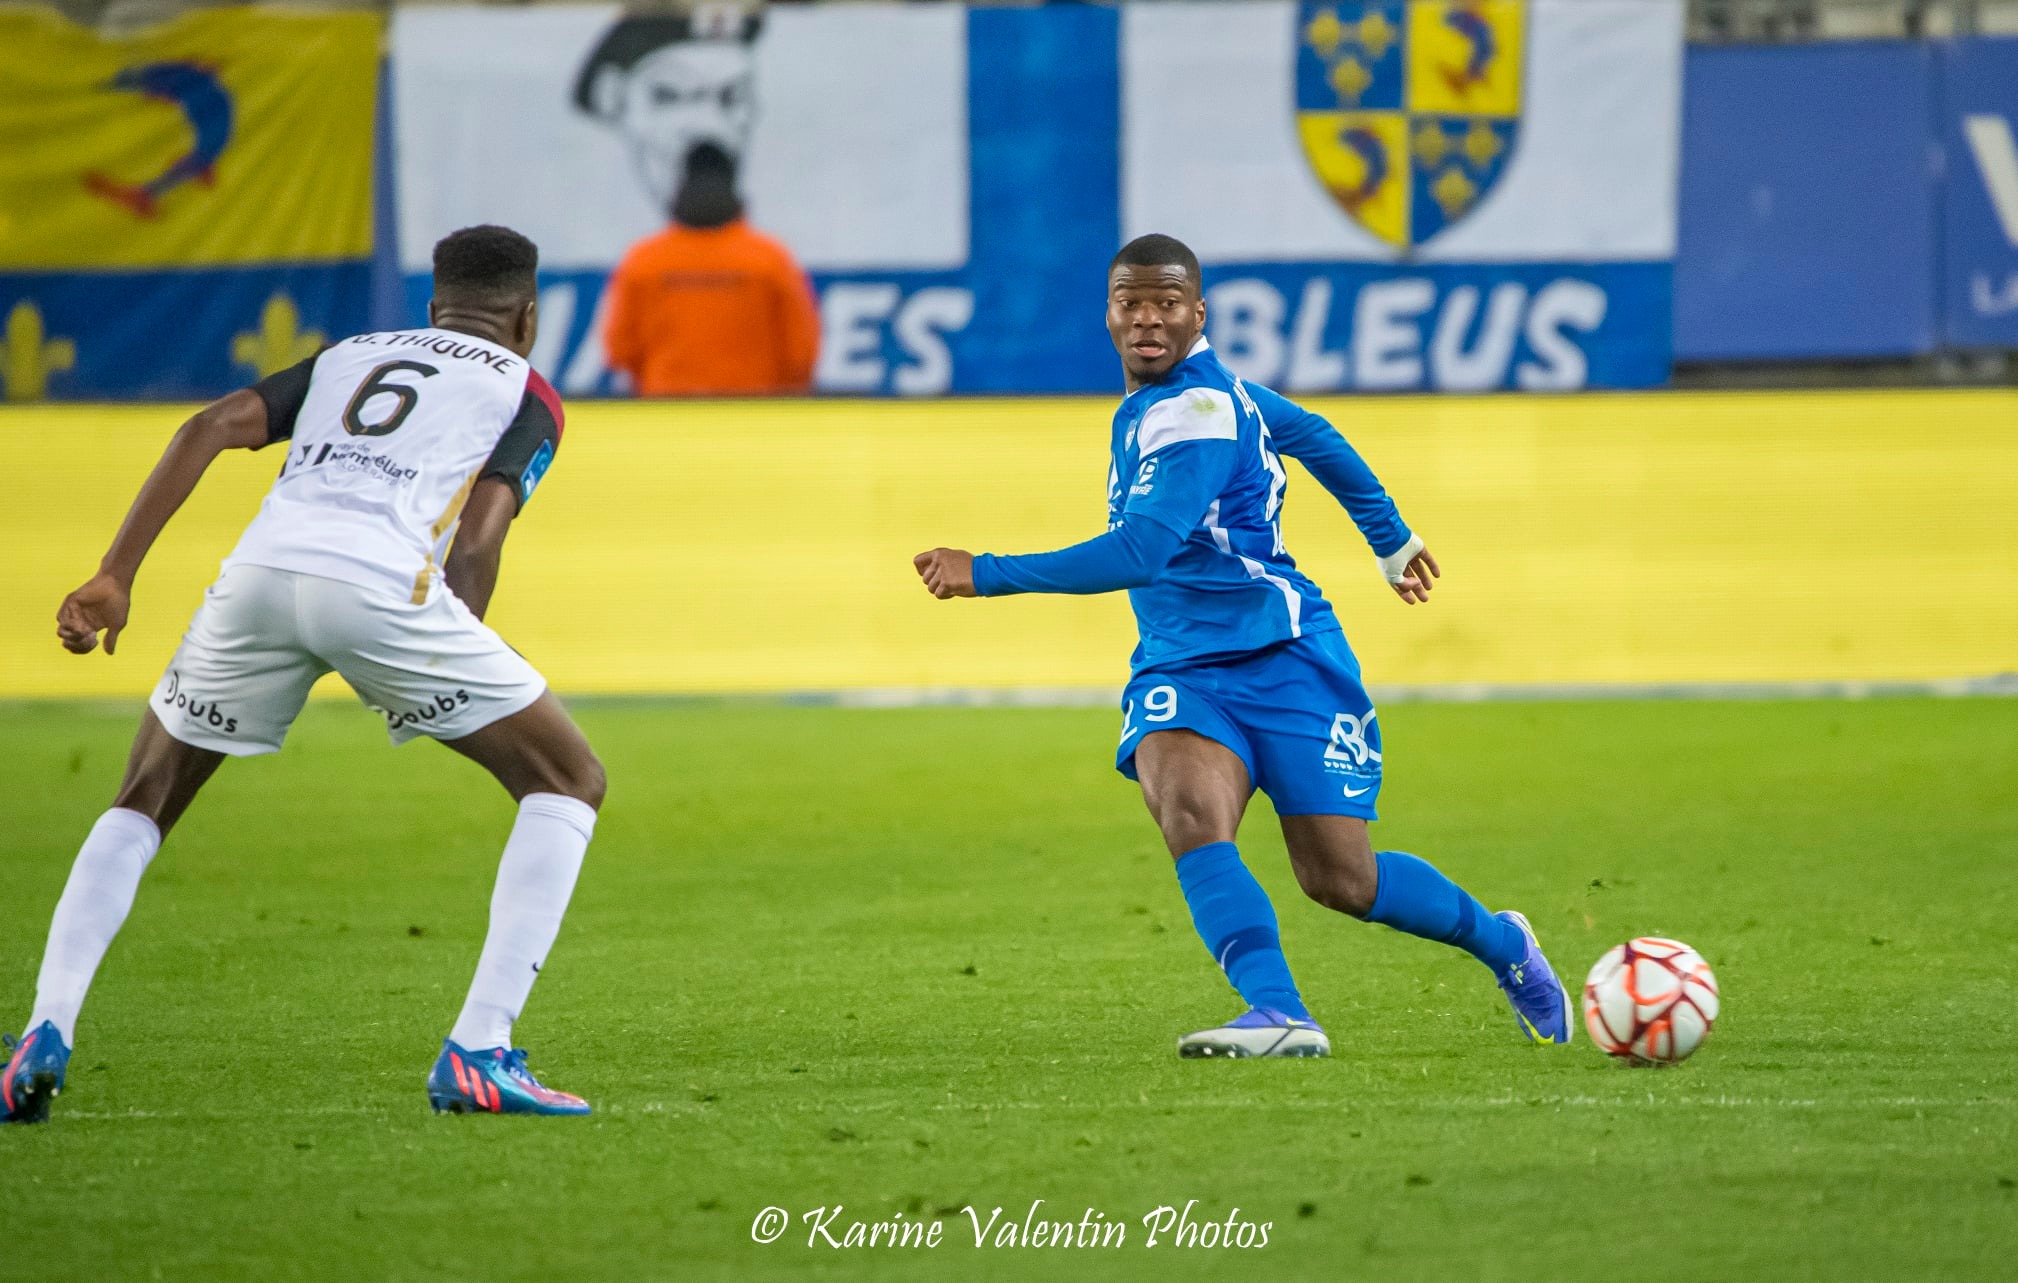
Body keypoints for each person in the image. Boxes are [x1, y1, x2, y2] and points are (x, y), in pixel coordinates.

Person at [912, 233, 1571, 1059]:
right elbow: (1314, 433)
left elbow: (1142, 550)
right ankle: (1279, 1011)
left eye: (1166, 303)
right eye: (1130, 302)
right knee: (1188, 809)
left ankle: (1505, 944)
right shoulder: (1209, 396)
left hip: (1287, 656)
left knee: (1342, 878)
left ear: (1199, 313)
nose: (1147, 319)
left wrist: (987, 571)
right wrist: (1391, 539)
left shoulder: (1195, 411)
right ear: (1108, 314)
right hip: (1184, 666)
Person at [4, 226, 606, 1122]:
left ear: (432, 308)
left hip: (258, 575)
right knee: (568, 777)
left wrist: (114, 575)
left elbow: (206, 428)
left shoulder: (350, 355)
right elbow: (478, 538)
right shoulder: (528, 390)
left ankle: (42, 1028)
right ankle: (479, 1049)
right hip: (378, 585)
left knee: (145, 796)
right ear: (527, 318)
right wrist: (443, 657)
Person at [602, 142, 819, 397]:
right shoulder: (769, 259)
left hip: (665, 409)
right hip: (754, 409)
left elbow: (620, 348)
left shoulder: (644, 260)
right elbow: (801, 350)